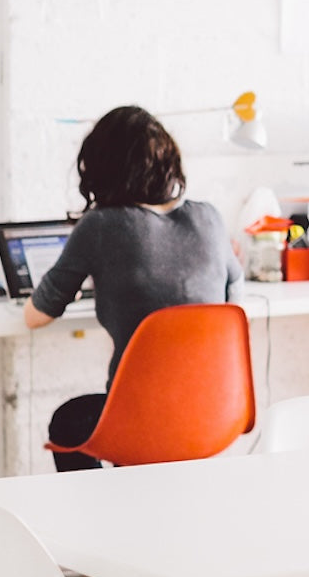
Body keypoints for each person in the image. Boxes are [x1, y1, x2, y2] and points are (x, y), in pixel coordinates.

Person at [25, 105, 244, 472]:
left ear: (98, 167)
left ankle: (96, 519)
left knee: (68, 421)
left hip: (140, 419)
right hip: (215, 413)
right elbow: (233, 302)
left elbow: (36, 315)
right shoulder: (210, 216)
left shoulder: (99, 226)